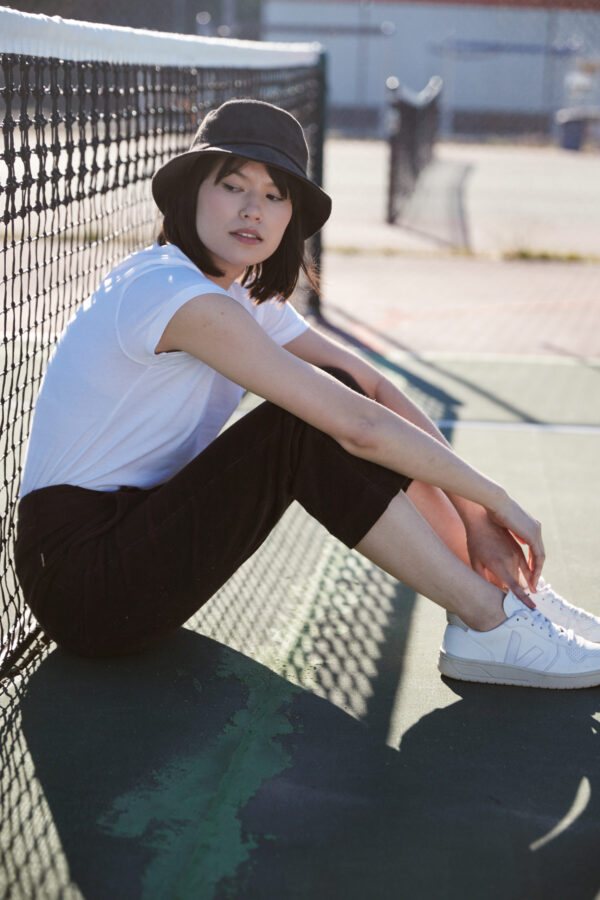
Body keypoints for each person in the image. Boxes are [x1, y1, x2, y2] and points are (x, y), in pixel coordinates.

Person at [14, 99, 600, 689]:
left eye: (275, 195)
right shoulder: (174, 294)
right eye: (233, 185)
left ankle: (502, 595)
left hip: (136, 540)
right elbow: (358, 428)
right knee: (302, 426)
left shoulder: (237, 298)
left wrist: (476, 519)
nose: (253, 209)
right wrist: (498, 500)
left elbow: (370, 388)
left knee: (339, 392)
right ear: (191, 192)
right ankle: (490, 621)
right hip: (82, 581)